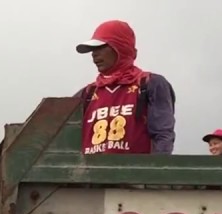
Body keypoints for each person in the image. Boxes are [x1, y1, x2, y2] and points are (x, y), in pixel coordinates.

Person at [75, 20, 175, 155]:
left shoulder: (149, 83)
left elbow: (163, 136)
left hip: (132, 173)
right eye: (93, 50)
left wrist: (154, 173)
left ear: (120, 47)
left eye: (101, 47)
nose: (94, 54)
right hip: (91, 174)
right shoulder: (86, 94)